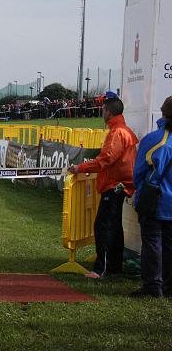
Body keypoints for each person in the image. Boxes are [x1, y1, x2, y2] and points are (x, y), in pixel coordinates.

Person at [67, 92, 138, 278]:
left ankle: (102, 269)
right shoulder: (124, 131)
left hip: (114, 186)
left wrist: (80, 167)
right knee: (113, 226)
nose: (101, 113)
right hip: (119, 185)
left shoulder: (117, 133)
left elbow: (104, 160)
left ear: (109, 112)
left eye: (103, 110)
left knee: (103, 226)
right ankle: (113, 266)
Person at [132, 96, 172, 298]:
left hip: (157, 200)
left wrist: (141, 189)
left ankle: (153, 286)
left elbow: (138, 172)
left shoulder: (154, 140)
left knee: (152, 243)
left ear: (163, 113)